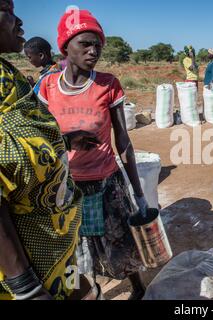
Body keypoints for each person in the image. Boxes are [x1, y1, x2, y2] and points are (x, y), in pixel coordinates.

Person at [37, 9, 150, 300]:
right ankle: (82, 293)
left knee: (120, 244)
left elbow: (123, 139)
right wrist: (67, 139)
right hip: (66, 187)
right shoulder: (47, 88)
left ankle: (138, 288)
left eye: (97, 44)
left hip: (106, 184)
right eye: (84, 43)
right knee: (73, 251)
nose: (93, 50)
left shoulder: (108, 84)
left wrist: (138, 192)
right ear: (65, 46)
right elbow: (37, 139)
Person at [0, 0, 99, 300]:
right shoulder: (43, 83)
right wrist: (25, 288)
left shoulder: (6, 76)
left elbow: (19, 138)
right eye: (6, 9)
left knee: (78, 290)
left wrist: (65, 141)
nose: (19, 22)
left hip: (57, 244)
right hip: (26, 264)